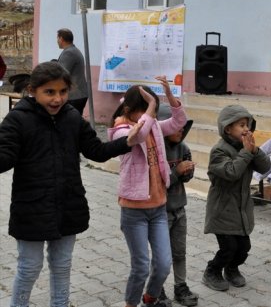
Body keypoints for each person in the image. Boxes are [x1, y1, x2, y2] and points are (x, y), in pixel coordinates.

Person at [0, 62, 139, 307]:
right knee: (29, 267)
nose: (57, 98)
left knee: (62, 266)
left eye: (63, 92)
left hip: (68, 206)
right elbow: (4, 157)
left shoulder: (72, 117)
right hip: (31, 209)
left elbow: (96, 151)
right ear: (33, 90)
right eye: (49, 92)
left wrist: (127, 141)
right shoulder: (17, 119)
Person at [108, 77, 188, 307]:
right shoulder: (120, 131)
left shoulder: (151, 125)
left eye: (149, 111)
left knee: (163, 263)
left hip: (158, 207)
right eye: (144, 111)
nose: (150, 116)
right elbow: (137, 136)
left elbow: (177, 122)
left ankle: (150, 299)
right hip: (134, 211)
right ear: (128, 110)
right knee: (141, 266)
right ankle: (130, 304)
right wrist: (152, 108)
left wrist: (169, 98)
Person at [203, 104, 271, 291]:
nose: (246, 129)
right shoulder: (219, 151)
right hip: (222, 208)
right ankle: (212, 271)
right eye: (241, 125)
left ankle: (232, 269)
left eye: (247, 124)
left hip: (241, 208)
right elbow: (232, 172)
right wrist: (246, 153)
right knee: (228, 248)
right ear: (227, 128)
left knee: (243, 248)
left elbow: (266, 167)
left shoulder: (247, 148)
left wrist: (255, 151)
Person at [155, 104, 198, 306]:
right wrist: (176, 172)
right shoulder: (155, 152)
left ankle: (180, 287)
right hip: (159, 213)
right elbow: (156, 184)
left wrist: (188, 171)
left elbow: (186, 179)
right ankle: (157, 290)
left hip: (180, 210)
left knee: (179, 252)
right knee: (161, 256)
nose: (181, 130)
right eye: (176, 126)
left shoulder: (183, 149)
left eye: (183, 127)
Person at [56, 28, 88, 115]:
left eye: (57, 38)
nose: (57, 41)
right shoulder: (73, 50)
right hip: (79, 94)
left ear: (61, 39)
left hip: (74, 96)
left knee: (70, 122)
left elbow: (61, 73)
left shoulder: (69, 53)